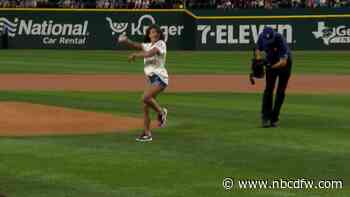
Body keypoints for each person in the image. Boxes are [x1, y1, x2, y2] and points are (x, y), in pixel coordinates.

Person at [118, 24, 168, 142]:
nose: (154, 34)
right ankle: (146, 134)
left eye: (156, 32)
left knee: (145, 97)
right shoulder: (147, 45)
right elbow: (135, 44)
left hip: (160, 78)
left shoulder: (160, 44)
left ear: (159, 34)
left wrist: (136, 54)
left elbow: (150, 53)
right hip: (151, 79)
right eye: (152, 32)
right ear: (149, 35)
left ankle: (161, 112)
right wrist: (125, 40)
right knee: (145, 107)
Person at [255, 27, 292, 128]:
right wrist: (258, 60)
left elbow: (283, 62)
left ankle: (274, 118)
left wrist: (271, 67)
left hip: (285, 65)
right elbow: (258, 49)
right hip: (271, 62)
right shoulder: (262, 37)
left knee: (280, 91)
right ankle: (265, 117)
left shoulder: (280, 39)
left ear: (274, 35)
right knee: (268, 90)